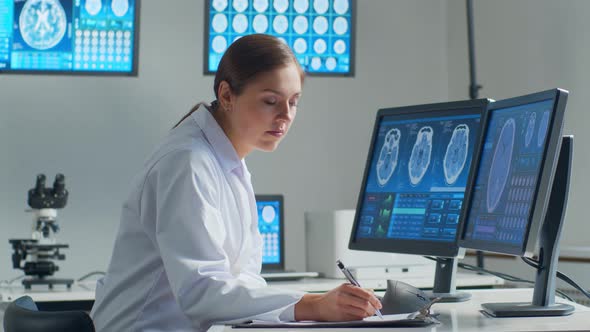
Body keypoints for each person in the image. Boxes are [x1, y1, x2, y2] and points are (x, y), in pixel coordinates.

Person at [90, 34, 382, 332]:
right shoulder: (187, 162)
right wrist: (312, 305)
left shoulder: (226, 159)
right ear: (227, 95)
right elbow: (201, 293)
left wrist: (309, 306)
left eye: (294, 102)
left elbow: (244, 280)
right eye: (271, 101)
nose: (286, 115)